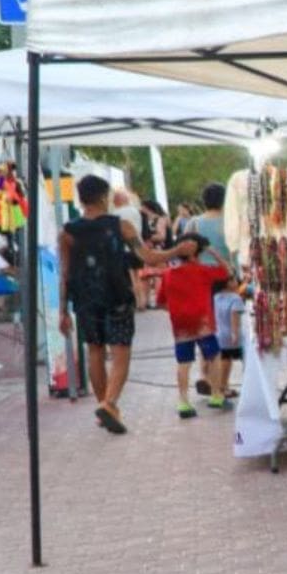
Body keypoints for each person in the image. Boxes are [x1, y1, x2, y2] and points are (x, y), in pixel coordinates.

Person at [59, 174, 191, 434]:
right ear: (103, 197)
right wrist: (177, 251)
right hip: (116, 295)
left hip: (85, 299)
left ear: (81, 199)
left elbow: (65, 273)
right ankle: (109, 403)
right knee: (121, 352)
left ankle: (104, 407)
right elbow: (149, 257)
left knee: (95, 351)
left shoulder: (67, 233)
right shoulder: (122, 227)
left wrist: (63, 311)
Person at [158, 234, 230, 417]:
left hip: (180, 323)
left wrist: (176, 310)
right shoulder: (202, 270)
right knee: (213, 356)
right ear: (196, 253)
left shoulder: (167, 274)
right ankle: (216, 395)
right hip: (202, 321)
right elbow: (227, 271)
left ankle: (183, 402)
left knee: (184, 362)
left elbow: (161, 302)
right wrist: (211, 250)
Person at [211, 275, 247, 403]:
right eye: (234, 279)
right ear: (227, 283)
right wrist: (235, 333)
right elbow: (234, 317)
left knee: (224, 360)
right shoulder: (235, 298)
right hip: (230, 336)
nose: (237, 281)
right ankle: (222, 387)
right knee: (228, 362)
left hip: (218, 334)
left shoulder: (215, 297)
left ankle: (223, 386)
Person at [186, 183, 232, 270]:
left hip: (202, 272)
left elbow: (185, 252)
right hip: (227, 272)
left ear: (204, 200)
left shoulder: (193, 222)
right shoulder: (230, 221)